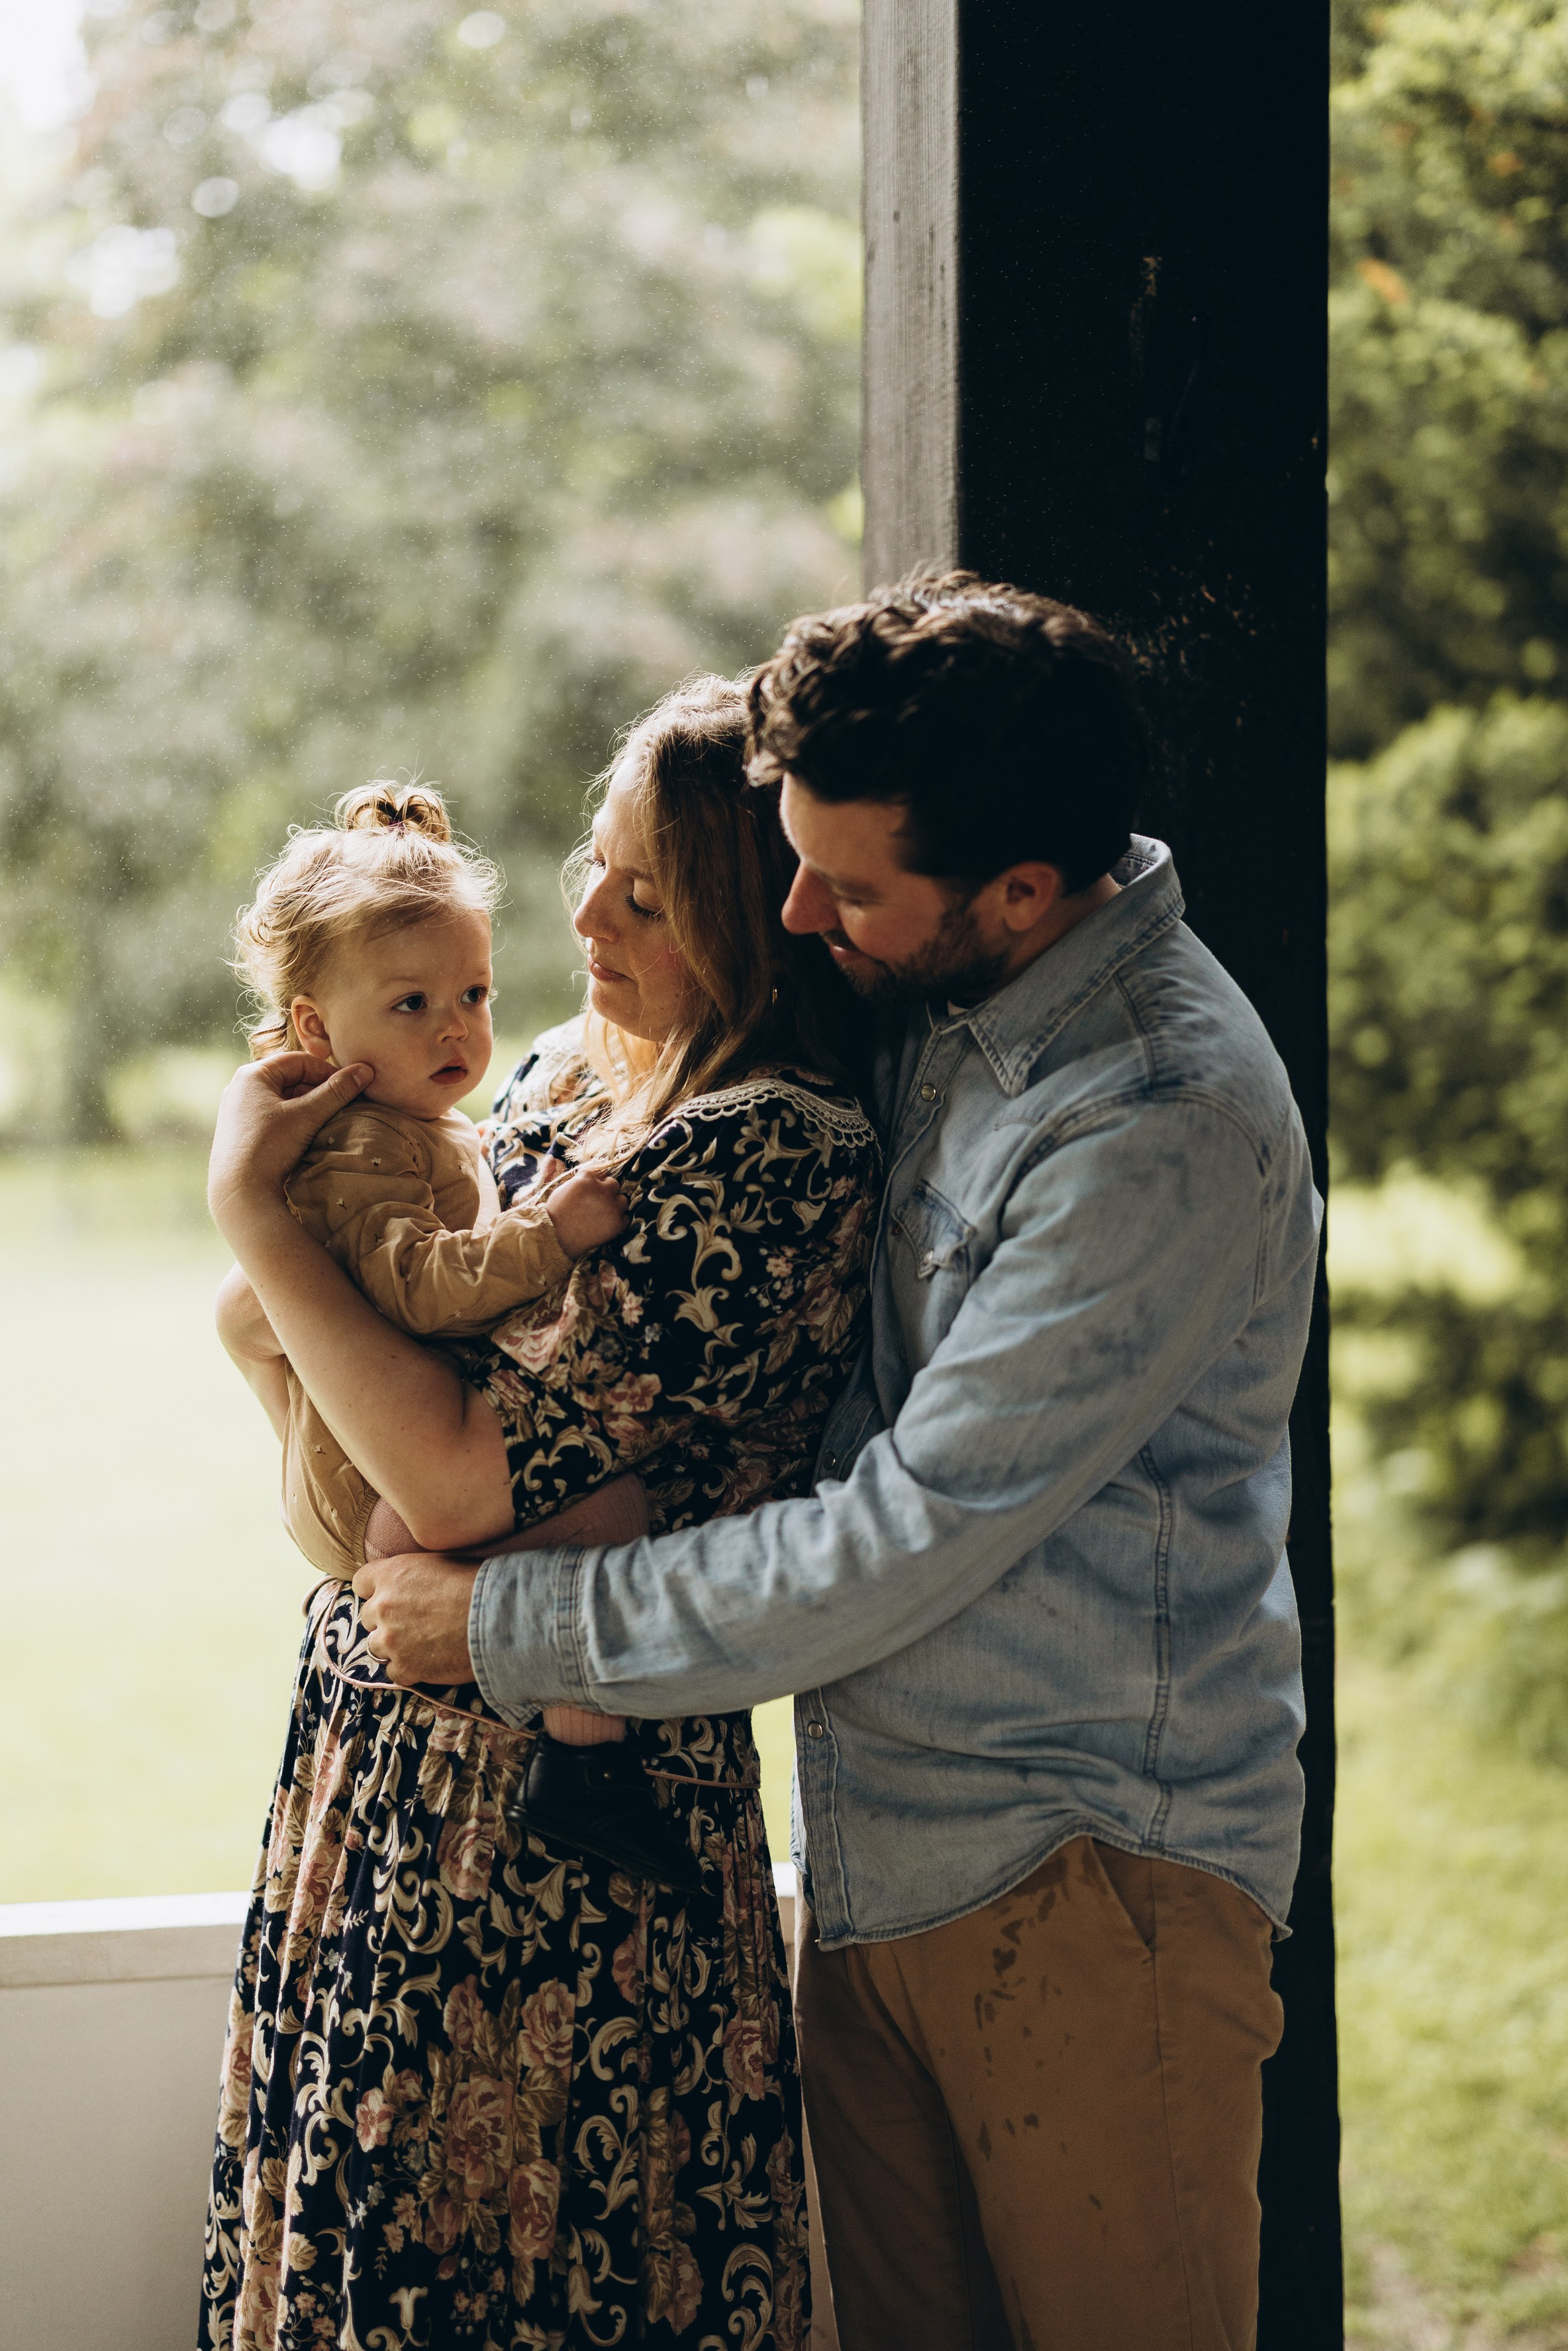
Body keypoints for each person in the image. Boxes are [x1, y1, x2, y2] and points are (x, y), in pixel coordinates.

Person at [356, 575, 1323, 2351]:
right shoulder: (943, 991)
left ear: (1022, 890)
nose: (798, 912)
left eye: (844, 885)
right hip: (887, 1858)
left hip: (1085, 1877)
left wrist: (509, 1630)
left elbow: (899, 1538)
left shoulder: (1153, 1123)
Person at [199, 676, 880, 2350]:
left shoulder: (761, 1149)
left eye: (645, 893)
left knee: (534, 2269)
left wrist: (245, 1212)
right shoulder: (582, 1075)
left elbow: (444, 1473)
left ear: (751, 917)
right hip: (392, 1768)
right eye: (590, 858)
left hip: (559, 1844)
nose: (583, 911)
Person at [216, 774, 696, 1881]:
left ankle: (584, 1764)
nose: (459, 1029)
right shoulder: (360, 1153)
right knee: (611, 1508)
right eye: (411, 1005)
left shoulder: (420, 1127)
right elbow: (422, 1288)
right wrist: (553, 1231)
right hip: (376, 1495)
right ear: (314, 1029)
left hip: (376, 1468)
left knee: (607, 1509)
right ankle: (590, 1775)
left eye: (473, 994)